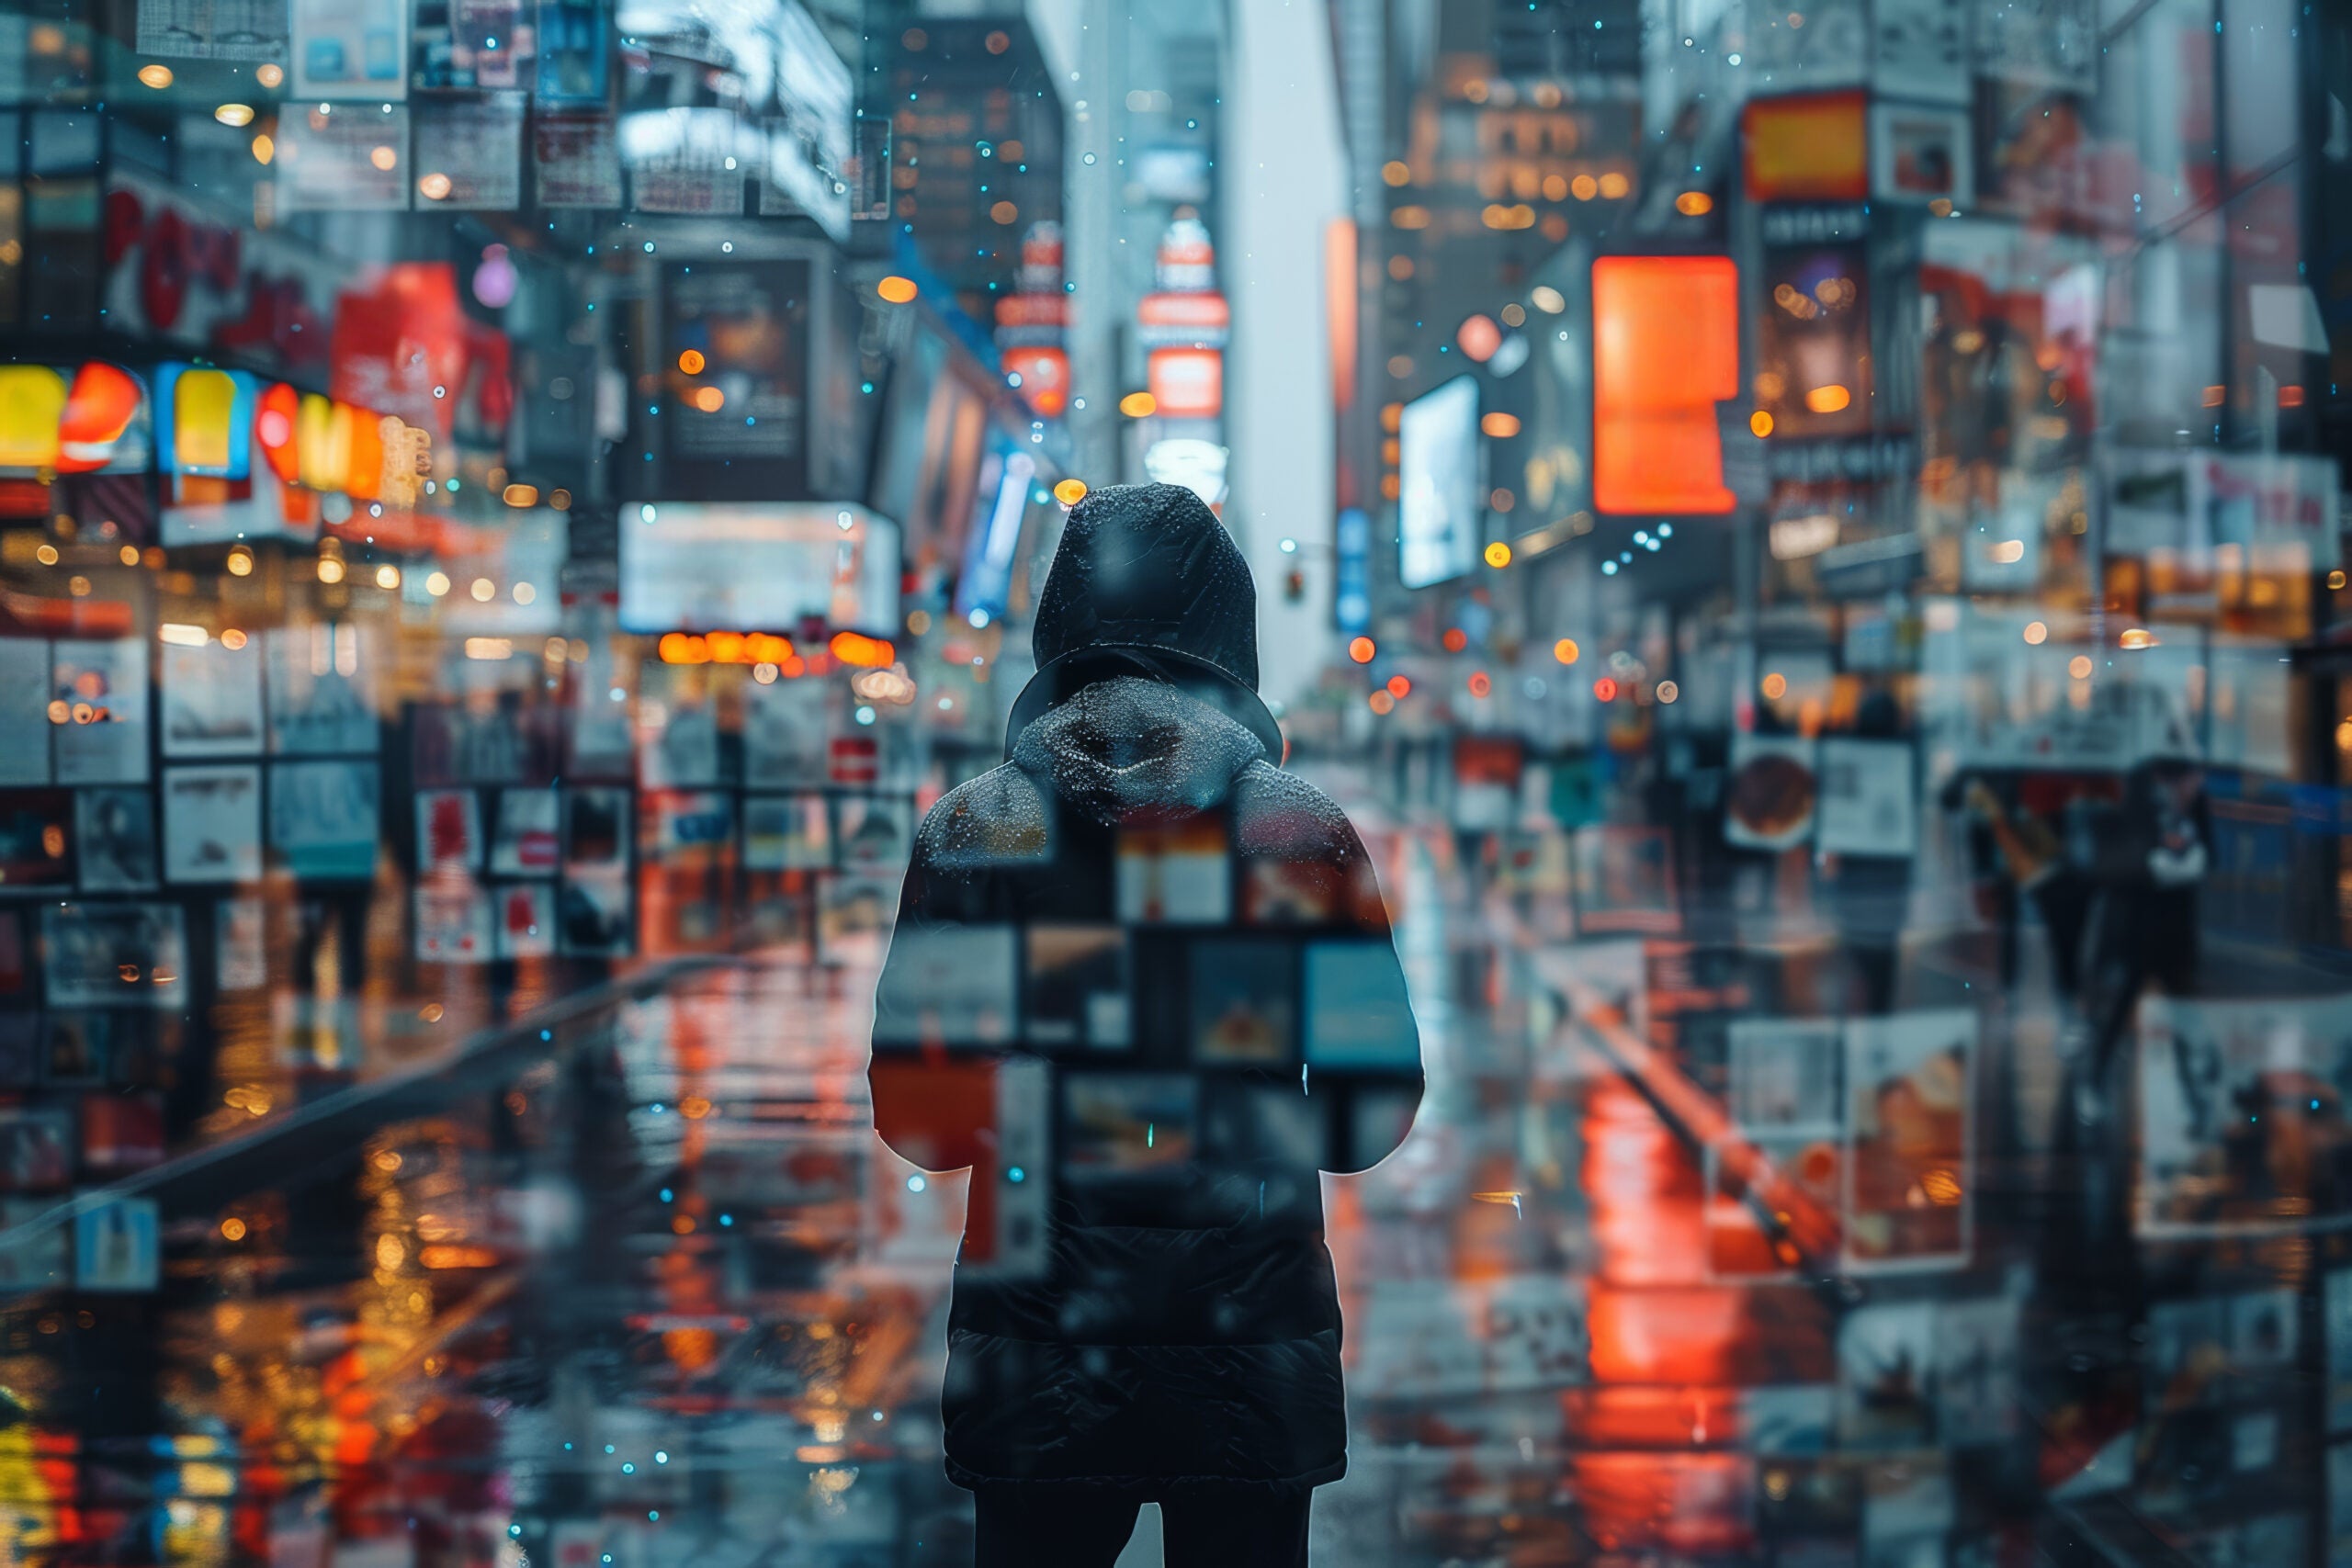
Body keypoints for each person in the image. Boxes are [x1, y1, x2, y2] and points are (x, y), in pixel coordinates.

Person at [868, 483, 1423, 1568]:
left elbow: (920, 1125)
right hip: (1249, 1352)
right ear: (1230, 629)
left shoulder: (976, 832)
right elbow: (1364, 1119)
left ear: (1058, 627)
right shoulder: (1295, 836)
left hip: (1038, 1356)